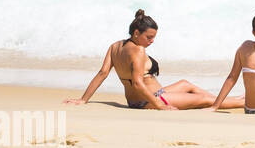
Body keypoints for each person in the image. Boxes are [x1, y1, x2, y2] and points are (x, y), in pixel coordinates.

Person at [65, 10, 240, 110]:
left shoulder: (115, 46)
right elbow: (137, 83)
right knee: (204, 100)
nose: (151, 41)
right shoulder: (138, 51)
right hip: (149, 100)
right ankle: (245, 102)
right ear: (136, 33)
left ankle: (228, 99)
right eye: (149, 37)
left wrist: (83, 99)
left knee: (187, 84)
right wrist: (159, 105)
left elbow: (102, 73)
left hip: (145, 98)